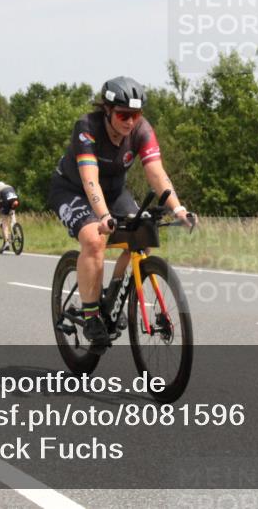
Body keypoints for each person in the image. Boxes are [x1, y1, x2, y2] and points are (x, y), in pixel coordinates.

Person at [47, 76, 195, 346]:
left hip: (115, 192)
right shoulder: (87, 127)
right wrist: (103, 216)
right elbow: (89, 177)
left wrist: (178, 208)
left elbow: (156, 173)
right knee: (94, 239)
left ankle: (114, 294)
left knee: (144, 236)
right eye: (123, 115)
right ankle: (91, 314)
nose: (129, 122)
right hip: (73, 189)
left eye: (135, 115)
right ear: (107, 110)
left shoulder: (142, 130)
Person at [0, 181, 20, 251]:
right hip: (13, 195)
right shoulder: (8, 186)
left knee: (4, 221)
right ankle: (14, 226)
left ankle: (7, 242)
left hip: (5, 198)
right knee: (12, 211)